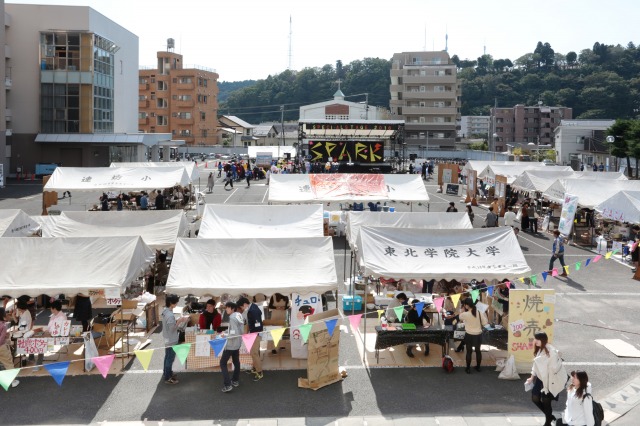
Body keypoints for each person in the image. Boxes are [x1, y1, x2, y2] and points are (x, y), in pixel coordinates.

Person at [526, 331, 567, 426]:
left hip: (550, 381)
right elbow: (535, 366)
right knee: (535, 398)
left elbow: (554, 368)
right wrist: (532, 378)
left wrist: (547, 360)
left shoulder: (551, 351)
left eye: (537, 339)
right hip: (541, 379)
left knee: (546, 401)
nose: (535, 341)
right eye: (535, 338)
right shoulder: (540, 349)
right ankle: (549, 416)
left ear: (542, 340)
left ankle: (548, 421)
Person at [161, 294, 189, 385]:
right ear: (171, 303)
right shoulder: (170, 315)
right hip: (171, 339)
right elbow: (172, 328)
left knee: (167, 357)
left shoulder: (165, 311)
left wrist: (176, 320)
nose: (177, 303)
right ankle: (168, 377)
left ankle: (166, 373)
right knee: (170, 358)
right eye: (176, 302)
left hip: (167, 337)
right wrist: (180, 321)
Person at [33, 300, 67, 370]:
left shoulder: (61, 317)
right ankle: (32, 356)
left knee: (41, 341)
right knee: (34, 336)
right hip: (51, 334)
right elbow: (50, 327)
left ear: (54, 309)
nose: (50, 309)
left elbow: (57, 331)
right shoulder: (54, 315)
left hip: (57, 336)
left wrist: (47, 332)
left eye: (51, 308)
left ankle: (39, 362)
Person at [237, 297, 264, 381]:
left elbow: (258, 324)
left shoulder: (253, 310)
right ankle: (255, 368)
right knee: (253, 352)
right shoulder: (252, 308)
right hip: (253, 333)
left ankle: (259, 372)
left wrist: (252, 333)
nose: (242, 309)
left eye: (241, 307)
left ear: (245, 304)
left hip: (256, 333)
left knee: (254, 352)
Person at [459, 297, 488, 374]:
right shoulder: (479, 312)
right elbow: (485, 323)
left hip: (469, 335)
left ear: (467, 305)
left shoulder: (465, 314)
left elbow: (460, 317)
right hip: (478, 334)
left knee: (469, 352)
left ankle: (468, 368)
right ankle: (478, 367)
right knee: (478, 351)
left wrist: (462, 310)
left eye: (465, 305)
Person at [220, 301, 244, 393]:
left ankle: (227, 385)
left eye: (227, 307)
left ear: (232, 308)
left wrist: (225, 335)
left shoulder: (232, 318)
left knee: (222, 363)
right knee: (236, 362)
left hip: (231, 344)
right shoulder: (239, 315)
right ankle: (235, 380)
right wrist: (226, 332)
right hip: (237, 343)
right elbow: (237, 331)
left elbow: (234, 333)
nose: (226, 309)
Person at [0, 308, 19, 387]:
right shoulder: (3, 325)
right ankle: (13, 381)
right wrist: (7, 335)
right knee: (8, 363)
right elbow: (2, 338)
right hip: (2, 347)